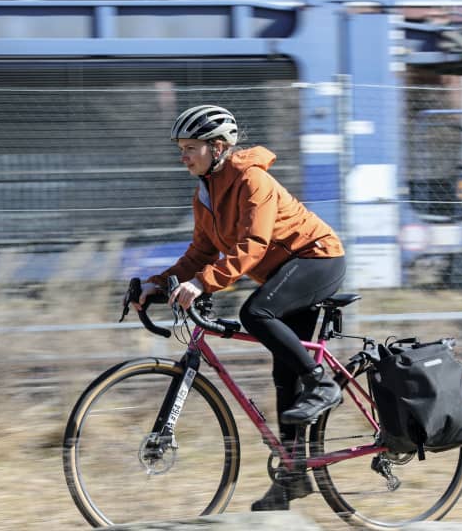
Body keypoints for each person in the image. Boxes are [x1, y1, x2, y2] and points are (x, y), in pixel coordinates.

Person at [135, 104, 347, 511]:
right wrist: (157, 284)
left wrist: (203, 284)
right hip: (283, 275)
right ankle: (292, 477)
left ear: (217, 148)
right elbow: (200, 251)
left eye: (190, 147)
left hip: (317, 259)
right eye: (180, 147)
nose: (183, 156)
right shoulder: (205, 192)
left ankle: (323, 382)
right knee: (284, 376)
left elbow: (254, 244)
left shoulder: (253, 180)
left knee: (255, 314)